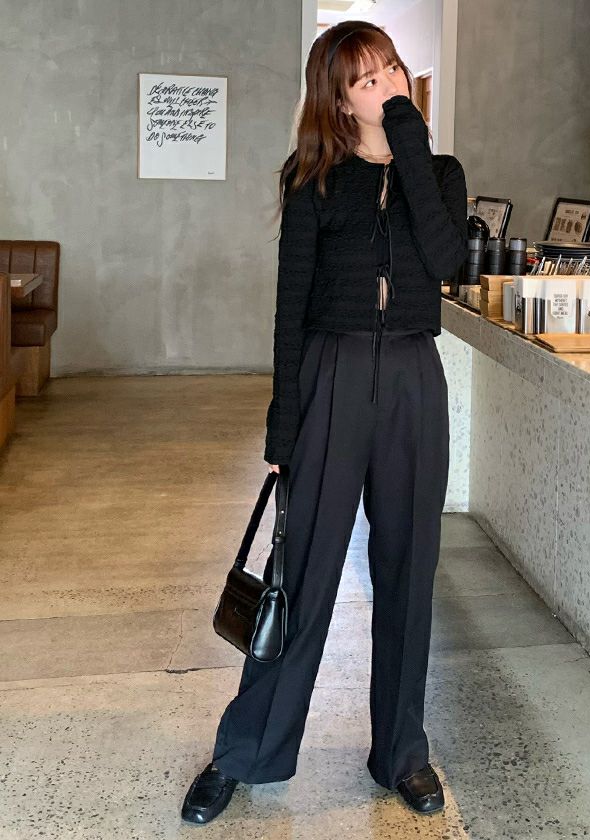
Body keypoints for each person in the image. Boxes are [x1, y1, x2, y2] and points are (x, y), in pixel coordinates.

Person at [181, 19, 469, 825]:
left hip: (413, 380)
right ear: (339, 101)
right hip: (331, 376)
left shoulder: (438, 173)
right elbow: (290, 310)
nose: (386, 83)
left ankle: (402, 753)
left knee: (409, 572)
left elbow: (447, 262)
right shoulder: (312, 180)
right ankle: (246, 752)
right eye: (366, 79)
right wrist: (283, 427)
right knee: (302, 576)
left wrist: (407, 137)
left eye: (391, 69)